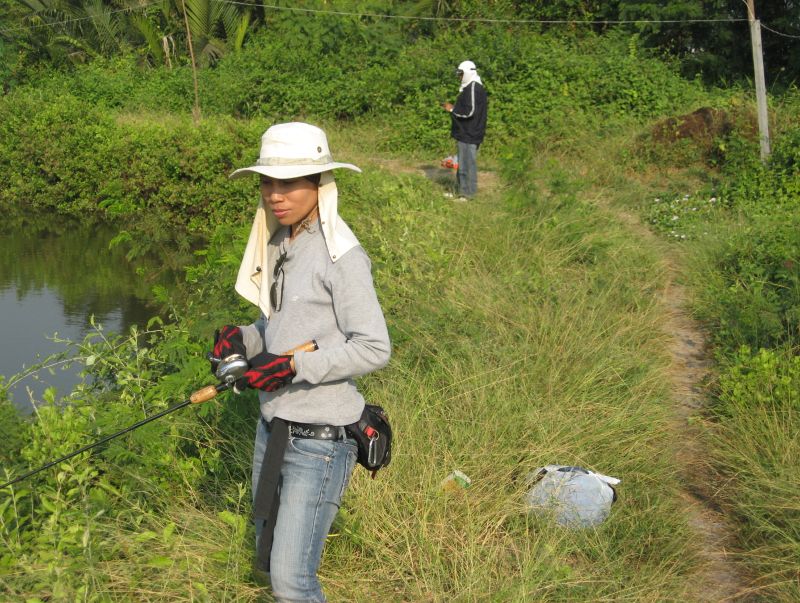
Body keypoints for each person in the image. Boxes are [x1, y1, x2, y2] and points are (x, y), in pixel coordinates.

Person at [210, 122, 391, 602]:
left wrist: (294, 368)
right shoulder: (281, 242)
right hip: (273, 429)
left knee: (292, 582)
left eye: (288, 183)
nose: (275, 194)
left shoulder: (342, 256)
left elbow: (374, 347)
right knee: (270, 564)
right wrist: (238, 340)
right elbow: (279, 330)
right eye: (268, 182)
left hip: (320, 440)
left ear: (319, 183)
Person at [442, 60, 488, 201]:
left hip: (470, 133)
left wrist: (452, 109)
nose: (459, 77)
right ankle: (460, 191)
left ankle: (468, 194)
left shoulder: (474, 88)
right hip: (464, 133)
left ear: (468, 73)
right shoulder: (468, 88)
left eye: (461, 74)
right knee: (462, 164)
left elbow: (470, 112)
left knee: (468, 164)